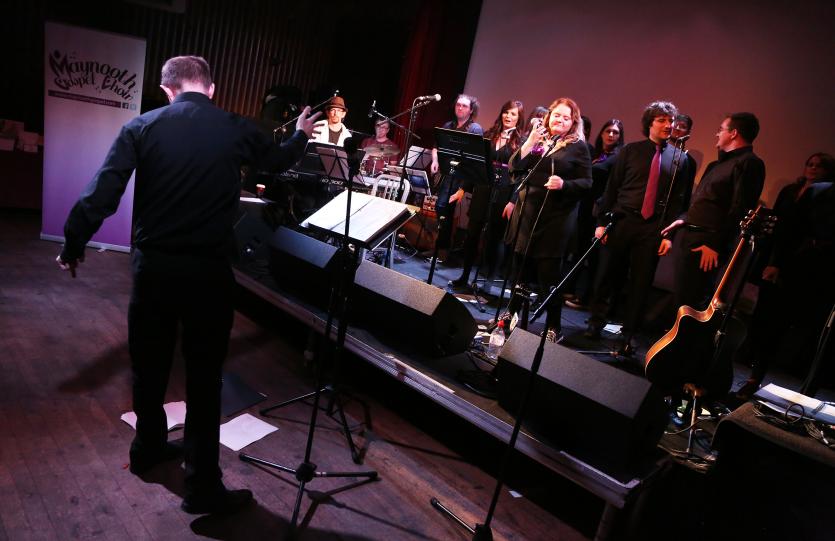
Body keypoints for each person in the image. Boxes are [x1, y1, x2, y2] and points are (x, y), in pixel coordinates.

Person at [55, 55, 321, 515]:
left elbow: (103, 192)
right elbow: (279, 161)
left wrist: (74, 243)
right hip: (207, 274)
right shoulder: (234, 127)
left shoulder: (142, 127)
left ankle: (147, 449)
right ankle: (202, 486)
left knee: (148, 364)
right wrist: (300, 133)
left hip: (153, 269)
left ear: (167, 90)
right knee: (203, 378)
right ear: (211, 88)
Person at [584, 102, 696, 354]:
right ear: (649, 123)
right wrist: (601, 223)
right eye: (662, 120)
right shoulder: (631, 151)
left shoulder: (680, 159)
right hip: (623, 220)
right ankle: (595, 323)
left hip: (653, 228)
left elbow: (680, 201)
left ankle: (629, 332)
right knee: (607, 275)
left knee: (641, 283)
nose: (668, 125)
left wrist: (669, 235)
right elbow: (612, 188)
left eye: (671, 121)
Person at [736, 152, 835, 398]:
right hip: (778, 260)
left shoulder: (827, 194)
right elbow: (781, 228)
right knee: (763, 317)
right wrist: (771, 262)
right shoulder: (792, 191)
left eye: (819, 166)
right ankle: (751, 370)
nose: (813, 168)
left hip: (805, 269)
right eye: (809, 164)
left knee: (780, 323)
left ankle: (759, 377)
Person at [503, 98, 592, 342]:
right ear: (548, 117)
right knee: (520, 272)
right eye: (556, 115)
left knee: (548, 278)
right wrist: (531, 140)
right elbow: (514, 168)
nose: (560, 120)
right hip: (527, 214)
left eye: (566, 117)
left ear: (573, 122)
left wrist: (564, 184)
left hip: (555, 220)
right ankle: (509, 315)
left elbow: (587, 183)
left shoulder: (578, 147)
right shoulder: (540, 139)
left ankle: (554, 326)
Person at [662, 112, 766, 310]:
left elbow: (740, 209)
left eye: (721, 129)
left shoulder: (749, 163)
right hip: (691, 237)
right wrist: (684, 218)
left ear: (734, 133)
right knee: (680, 298)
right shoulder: (715, 165)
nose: (717, 134)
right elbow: (702, 200)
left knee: (691, 302)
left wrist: (714, 244)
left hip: (708, 244)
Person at [449, 100, 525, 290]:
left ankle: (488, 282)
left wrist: (513, 200)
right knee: (472, 234)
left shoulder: (522, 141)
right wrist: (463, 188)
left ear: (519, 118)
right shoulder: (489, 135)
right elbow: (476, 164)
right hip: (483, 188)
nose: (508, 116)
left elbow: (522, 176)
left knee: (495, 238)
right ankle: (465, 276)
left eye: (513, 114)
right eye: (506, 112)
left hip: (505, 192)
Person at [564, 118, 625, 309]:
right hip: (583, 205)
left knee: (593, 256)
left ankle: (587, 297)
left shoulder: (618, 156)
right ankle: (570, 290)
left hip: (599, 209)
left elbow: (613, 186)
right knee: (579, 249)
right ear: (601, 133)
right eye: (608, 131)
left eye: (615, 132)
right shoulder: (594, 153)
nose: (611, 135)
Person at [428, 94, 484, 254]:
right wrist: (435, 160)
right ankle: (441, 247)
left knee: (444, 207)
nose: (460, 108)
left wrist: (463, 186)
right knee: (441, 208)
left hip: (460, 176)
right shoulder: (448, 125)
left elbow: (474, 157)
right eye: (458, 104)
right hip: (446, 173)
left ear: (471, 110)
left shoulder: (475, 129)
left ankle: (442, 248)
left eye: (464, 106)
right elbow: (436, 147)